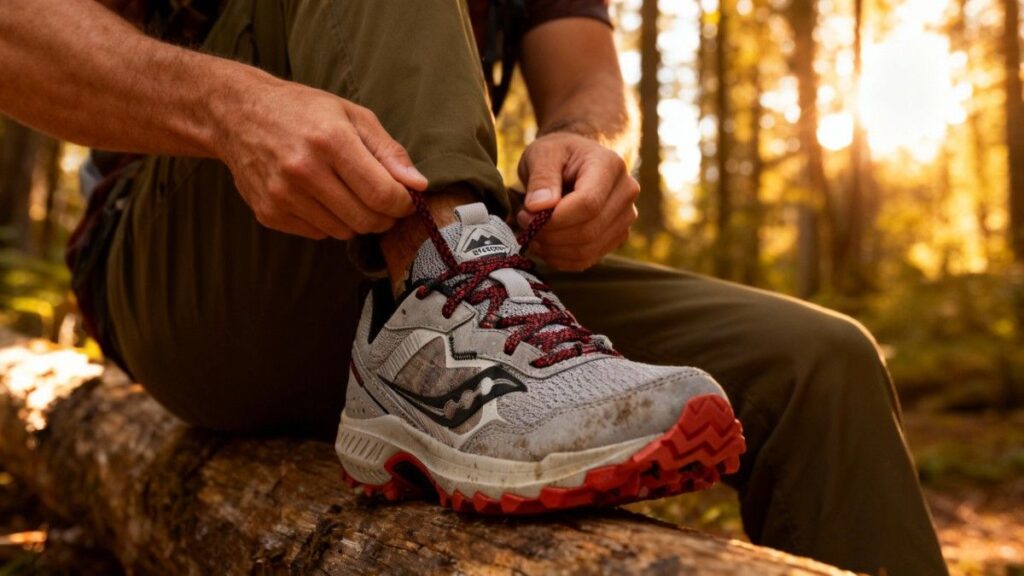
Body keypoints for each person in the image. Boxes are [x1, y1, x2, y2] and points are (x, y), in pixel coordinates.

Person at [0, 0, 948, 573]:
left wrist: (587, 148)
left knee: (818, 364)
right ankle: (449, 300)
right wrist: (228, 108)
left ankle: (454, 307)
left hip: (439, 276)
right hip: (200, 270)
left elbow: (589, 85)